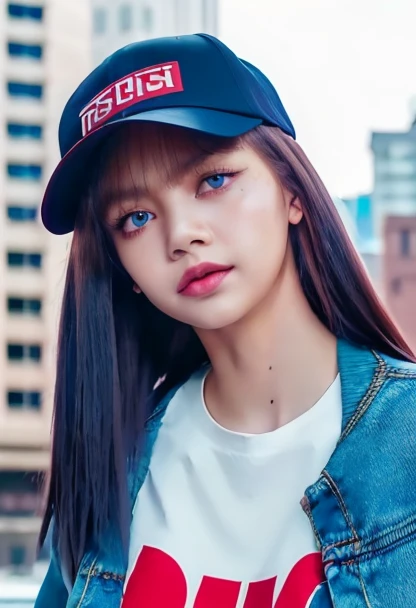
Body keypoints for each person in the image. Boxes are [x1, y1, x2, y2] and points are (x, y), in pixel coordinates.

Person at [34, 33, 416, 608]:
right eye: (136, 217)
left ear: (292, 190)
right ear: (123, 268)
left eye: (213, 180)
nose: (182, 233)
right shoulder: (113, 472)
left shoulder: (404, 443)